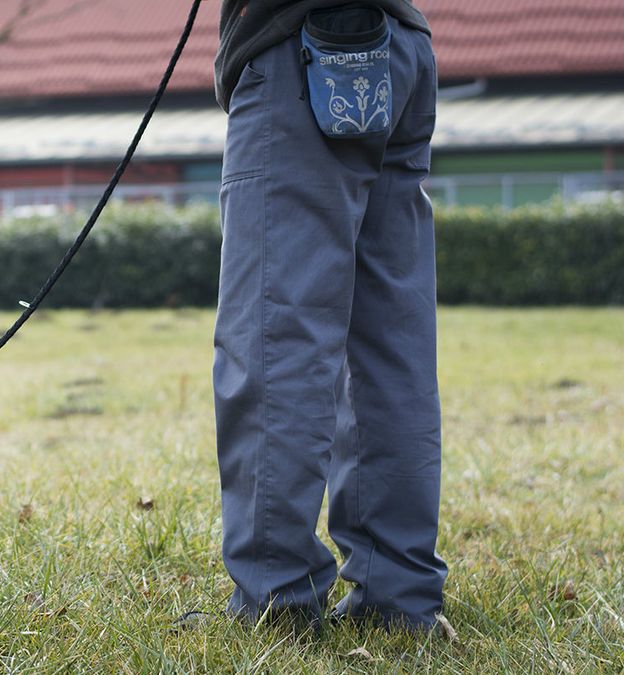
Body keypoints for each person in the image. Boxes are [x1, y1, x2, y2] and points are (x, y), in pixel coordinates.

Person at [212, 0, 446, 630]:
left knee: (276, 336)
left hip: (302, 46)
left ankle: (276, 597)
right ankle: (398, 597)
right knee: (391, 345)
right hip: (399, 45)